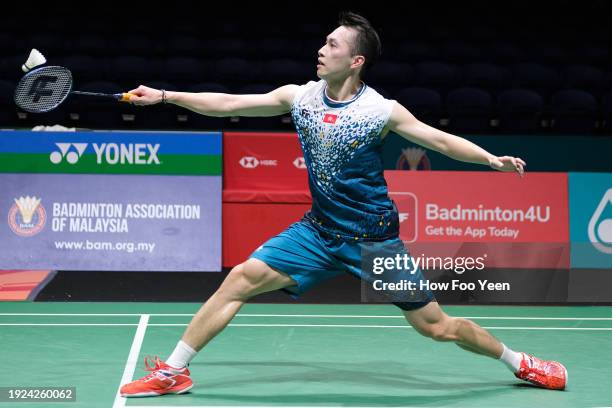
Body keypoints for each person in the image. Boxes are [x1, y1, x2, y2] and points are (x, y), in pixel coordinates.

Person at [120, 11, 567, 398]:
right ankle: (173, 372)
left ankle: (520, 362)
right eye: (324, 41)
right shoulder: (301, 96)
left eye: (332, 44)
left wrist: (490, 159)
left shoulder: (380, 110)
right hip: (317, 232)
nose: (321, 49)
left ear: (355, 61)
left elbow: (439, 139)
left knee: (437, 327)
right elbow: (230, 103)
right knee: (241, 278)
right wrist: (165, 96)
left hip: (373, 240)